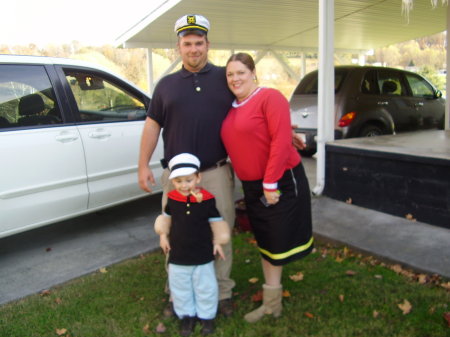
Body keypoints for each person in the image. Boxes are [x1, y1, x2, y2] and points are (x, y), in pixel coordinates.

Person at [137, 14, 236, 317]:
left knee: (220, 231)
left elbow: (251, 107)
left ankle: (221, 292)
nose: (194, 49)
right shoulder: (166, 86)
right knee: (175, 232)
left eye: (199, 43)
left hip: (216, 172)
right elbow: (152, 126)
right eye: (187, 43)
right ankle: (176, 293)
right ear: (178, 47)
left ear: (208, 44)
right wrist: (143, 165)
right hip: (176, 180)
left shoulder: (225, 78)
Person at [220, 53, 314, 323]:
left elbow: (280, 141)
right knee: (265, 241)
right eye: (230, 74)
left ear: (252, 73)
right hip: (251, 185)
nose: (235, 78)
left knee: (276, 241)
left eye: (240, 72)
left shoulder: (269, 97)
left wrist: (270, 182)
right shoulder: (232, 106)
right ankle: (272, 300)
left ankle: (272, 302)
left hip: (278, 180)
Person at [154, 153, 230, 336]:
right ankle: (187, 315)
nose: (184, 185)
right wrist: (163, 235)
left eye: (188, 180)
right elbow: (166, 219)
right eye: (179, 181)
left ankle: (206, 317)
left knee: (205, 285)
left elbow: (217, 221)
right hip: (179, 253)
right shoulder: (172, 199)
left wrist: (218, 242)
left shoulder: (207, 199)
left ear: (198, 177)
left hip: (202, 252)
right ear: (173, 182)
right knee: (180, 285)